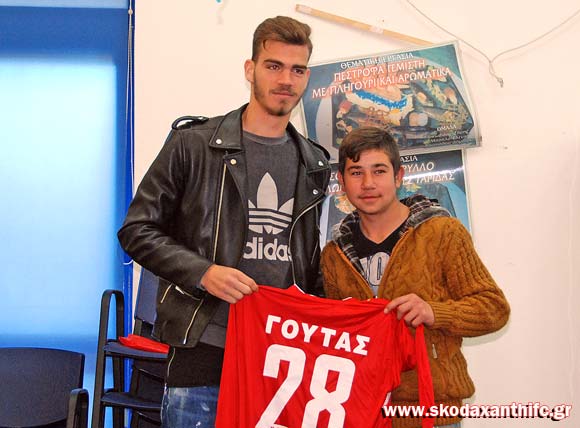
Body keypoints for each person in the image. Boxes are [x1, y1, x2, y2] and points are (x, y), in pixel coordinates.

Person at [118, 16, 330, 427]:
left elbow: (308, 260)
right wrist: (203, 272)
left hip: (281, 357)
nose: (286, 80)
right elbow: (136, 230)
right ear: (250, 69)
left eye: (297, 69)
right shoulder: (194, 144)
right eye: (273, 66)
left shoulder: (315, 162)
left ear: (306, 77)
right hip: (205, 348)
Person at [320, 126, 510, 428]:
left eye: (379, 171)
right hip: (363, 411)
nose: (368, 183)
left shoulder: (442, 232)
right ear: (341, 182)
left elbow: (495, 309)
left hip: (433, 413)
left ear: (398, 176)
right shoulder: (334, 254)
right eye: (356, 173)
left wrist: (434, 312)